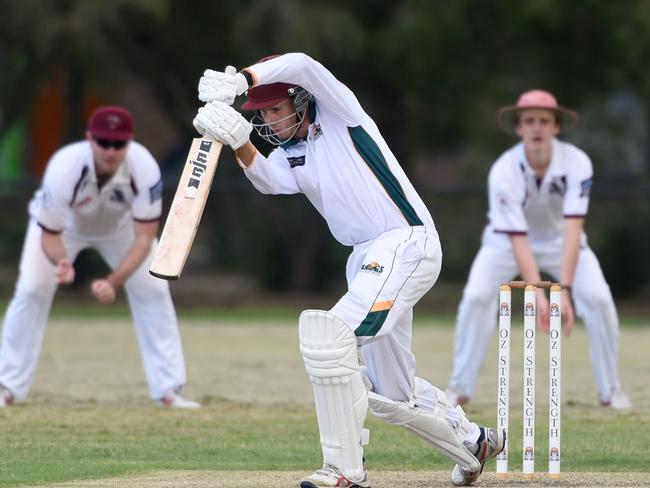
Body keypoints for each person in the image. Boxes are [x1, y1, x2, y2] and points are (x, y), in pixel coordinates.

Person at [192, 53, 504, 487]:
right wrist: (238, 141)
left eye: (275, 109)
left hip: (405, 240)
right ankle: (475, 442)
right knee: (391, 394)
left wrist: (242, 80)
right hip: (365, 257)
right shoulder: (293, 154)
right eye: (261, 113)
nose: (269, 120)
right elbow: (269, 180)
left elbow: (301, 62)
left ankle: (344, 470)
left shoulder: (340, 112)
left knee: (329, 339)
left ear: (301, 100)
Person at [0, 106, 199, 409]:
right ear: (90, 138)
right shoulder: (64, 167)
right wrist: (63, 262)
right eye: (104, 142)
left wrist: (114, 281)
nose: (110, 150)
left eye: (118, 144)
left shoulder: (144, 168)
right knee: (30, 290)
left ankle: (169, 390)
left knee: (154, 290)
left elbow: (145, 237)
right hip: (62, 228)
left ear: (129, 142)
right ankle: (6, 386)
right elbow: (50, 234)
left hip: (123, 229)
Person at [445, 89, 632, 410]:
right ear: (518, 127)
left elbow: (574, 228)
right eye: (529, 121)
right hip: (504, 242)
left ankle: (610, 390)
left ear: (556, 126)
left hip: (562, 241)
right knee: (476, 297)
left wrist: (565, 290)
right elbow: (518, 239)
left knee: (599, 299)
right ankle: (459, 387)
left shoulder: (577, 163)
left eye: (544, 121)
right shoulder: (503, 170)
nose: (536, 128)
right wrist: (540, 296)